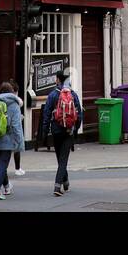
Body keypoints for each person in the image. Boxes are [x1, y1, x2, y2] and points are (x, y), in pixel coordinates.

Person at [40, 68, 82, 197]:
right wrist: (76, 130)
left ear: (57, 80)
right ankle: (60, 184)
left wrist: (44, 132)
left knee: (60, 158)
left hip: (56, 130)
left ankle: (62, 183)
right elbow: (79, 114)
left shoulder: (52, 95)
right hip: (69, 130)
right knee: (63, 159)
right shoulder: (73, 95)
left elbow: (46, 115)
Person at [0, 81, 25, 200]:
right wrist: (19, 142)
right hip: (8, 140)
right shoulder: (14, 104)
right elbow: (16, 125)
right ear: (12, 92)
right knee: (3, 164)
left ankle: (7, 187)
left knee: (2, 162)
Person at [0, 77, 25, 179]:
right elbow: (15, 124)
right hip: (10, 132)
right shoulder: (15, 102)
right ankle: (17, 169)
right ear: (13, 91)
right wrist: (20, 140)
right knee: (6, 159)